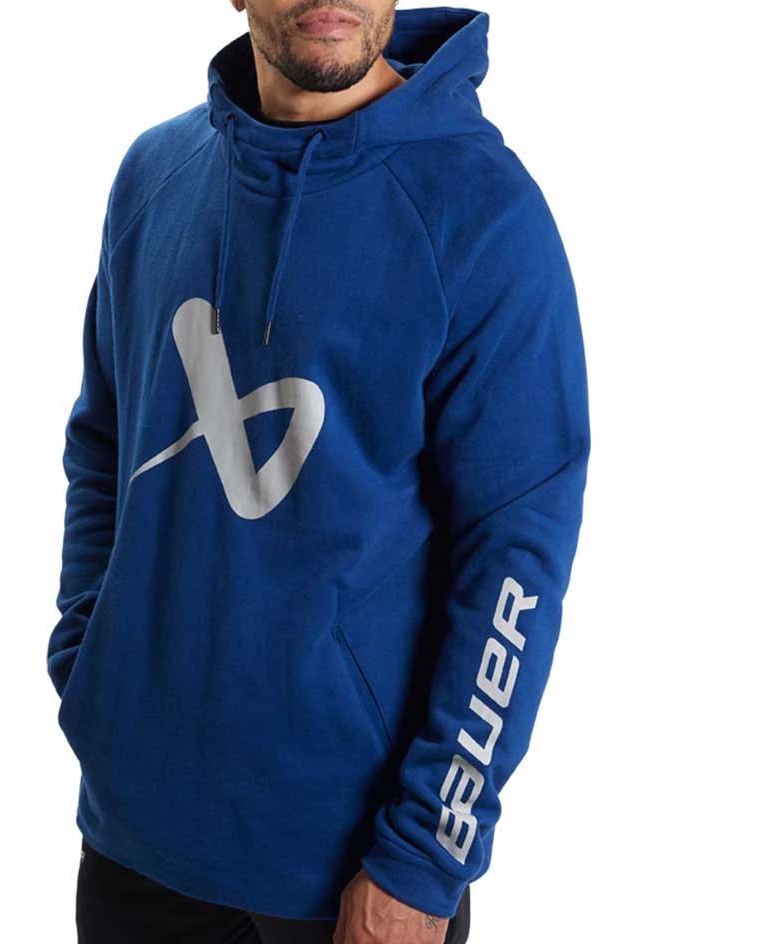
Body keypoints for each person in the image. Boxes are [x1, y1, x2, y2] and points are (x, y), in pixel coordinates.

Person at [47, 3, 591, 942]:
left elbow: (515, 564)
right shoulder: (155, 175)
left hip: (351, 876)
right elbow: (103, 442)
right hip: (135, 841)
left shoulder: (483, 215)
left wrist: (426, 858)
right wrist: (92, 661)